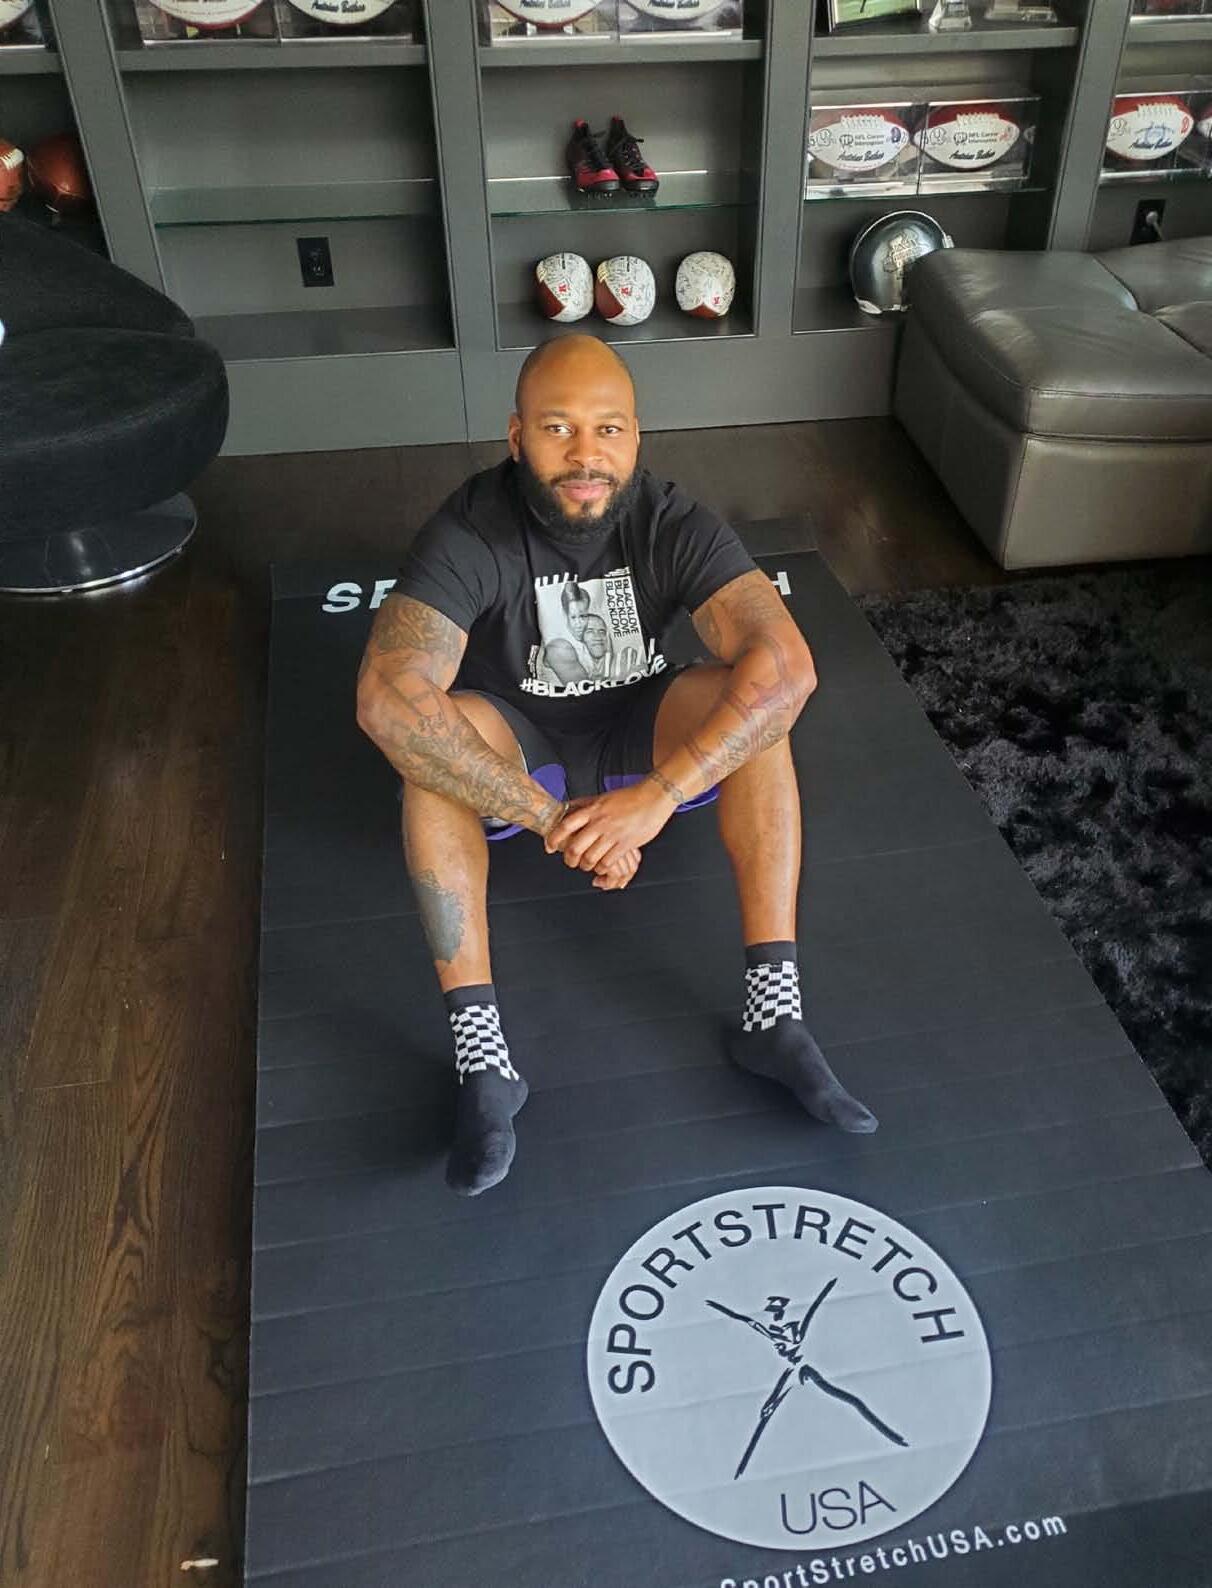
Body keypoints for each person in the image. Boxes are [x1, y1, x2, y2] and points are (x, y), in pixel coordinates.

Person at [356, 333, 878, 1197]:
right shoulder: (471, 528)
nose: (585, 455)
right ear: (516, 435)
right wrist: (549, 817)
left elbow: (788, 666)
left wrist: (659, 798)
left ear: (636, 436)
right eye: (558, 428)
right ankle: (483, 1059)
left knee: (762, 707)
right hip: (517, 749)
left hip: (642, 732)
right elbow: (387, 695)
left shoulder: (670, 519)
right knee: (427, 747)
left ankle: (774, 1011)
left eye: (608, 429)